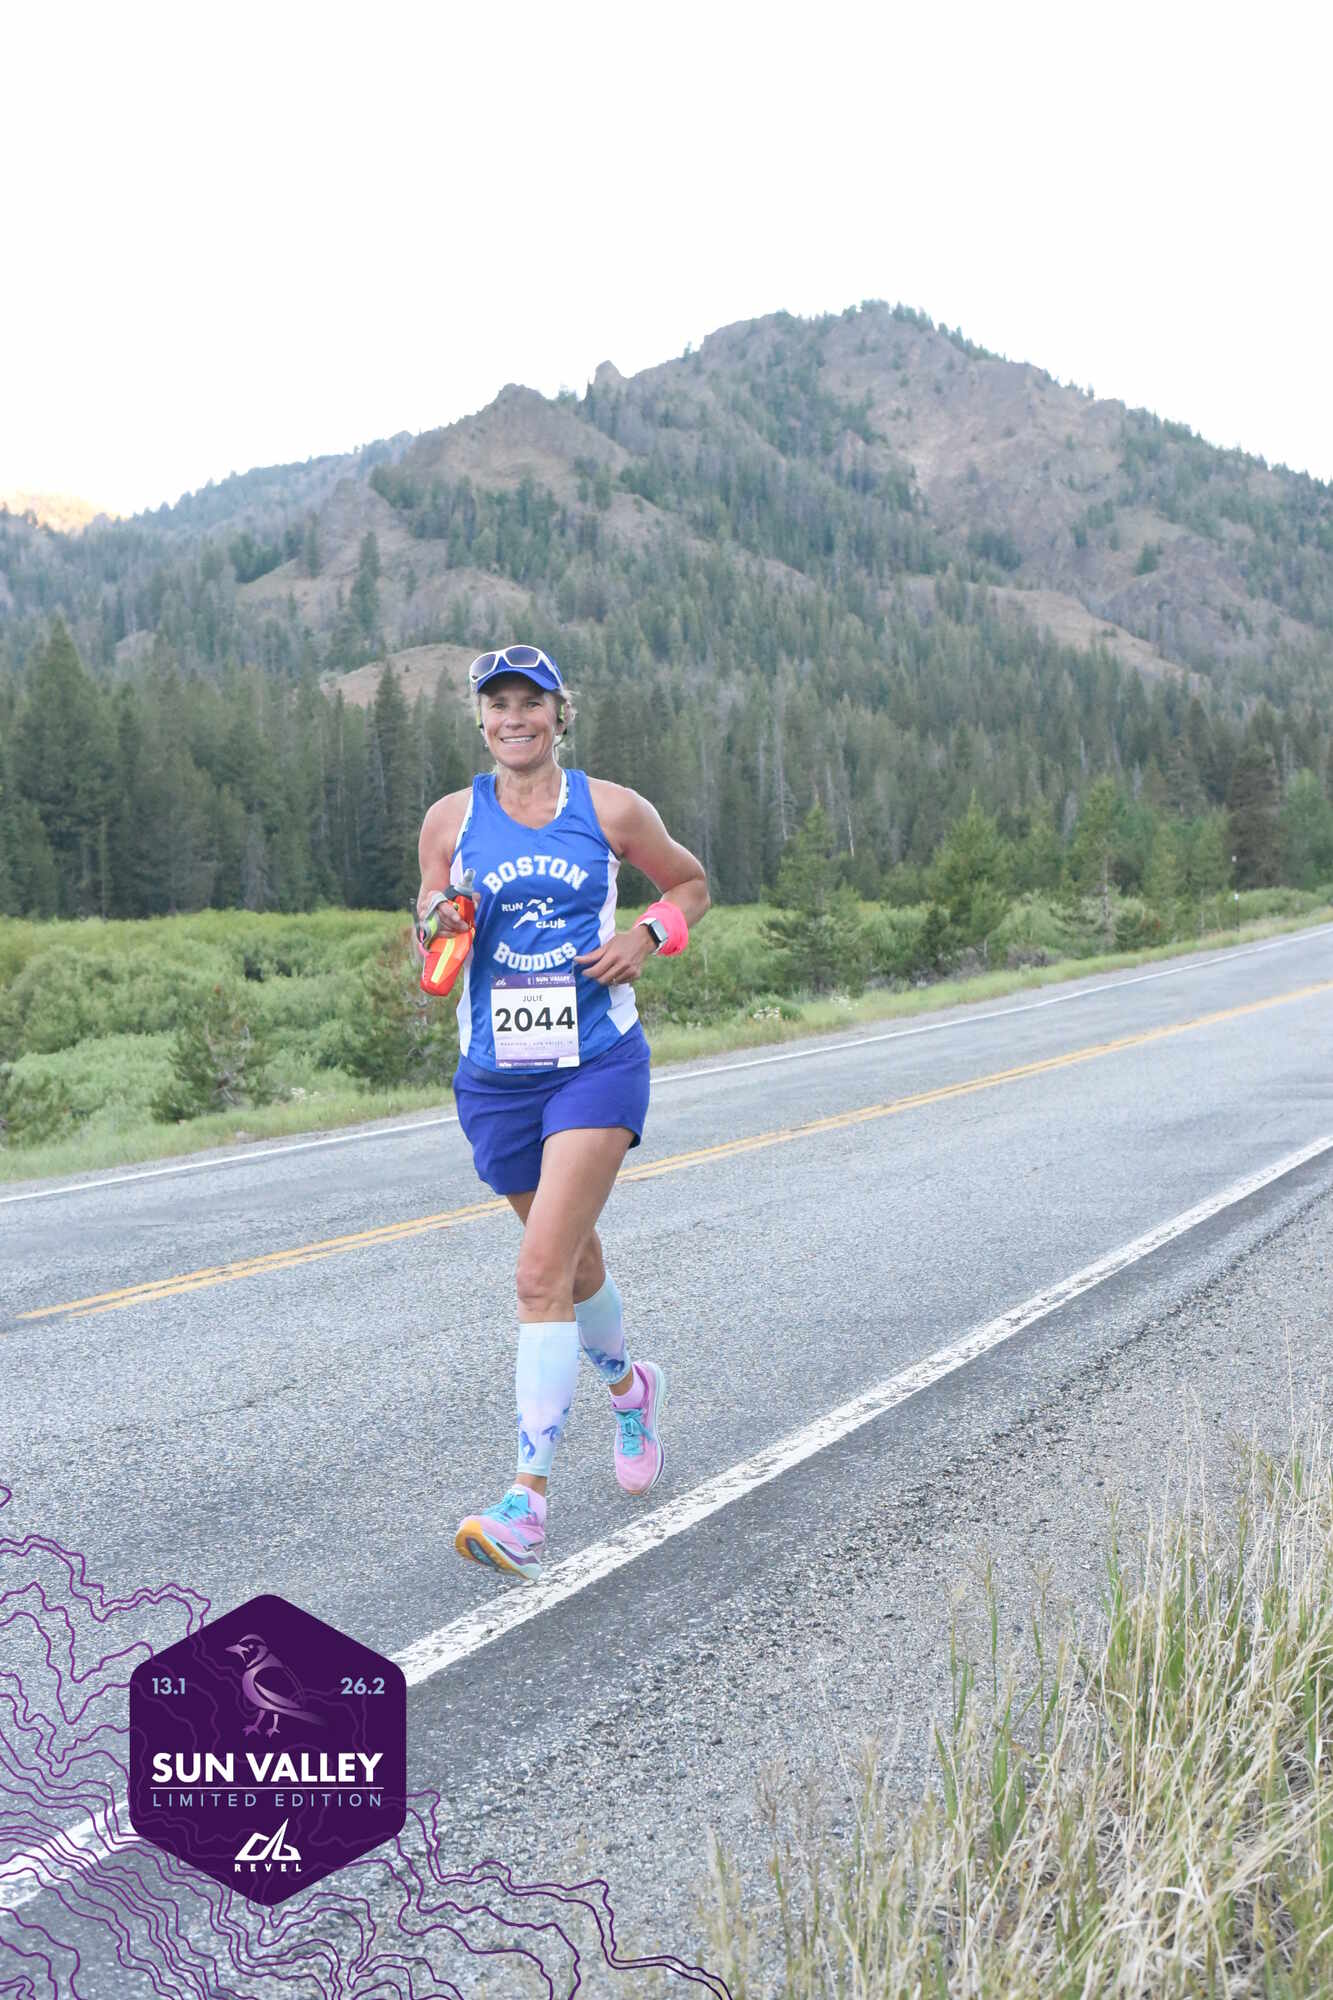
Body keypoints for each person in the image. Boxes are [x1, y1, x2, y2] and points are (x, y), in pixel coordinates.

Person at [415, 643, 709, 1583]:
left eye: (531, 703)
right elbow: (429, 936)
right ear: (480, 719)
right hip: (496, 1077)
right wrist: (438, 930)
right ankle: (631, 1388)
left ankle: (525, 1505)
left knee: (538, 1272)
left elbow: (690, 885)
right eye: (498, 705)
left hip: (595, 1064)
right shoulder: (450, 819)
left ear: (558, 714)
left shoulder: (612, 808)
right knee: (574, 1264)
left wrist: (646, 935)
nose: (515, 719)